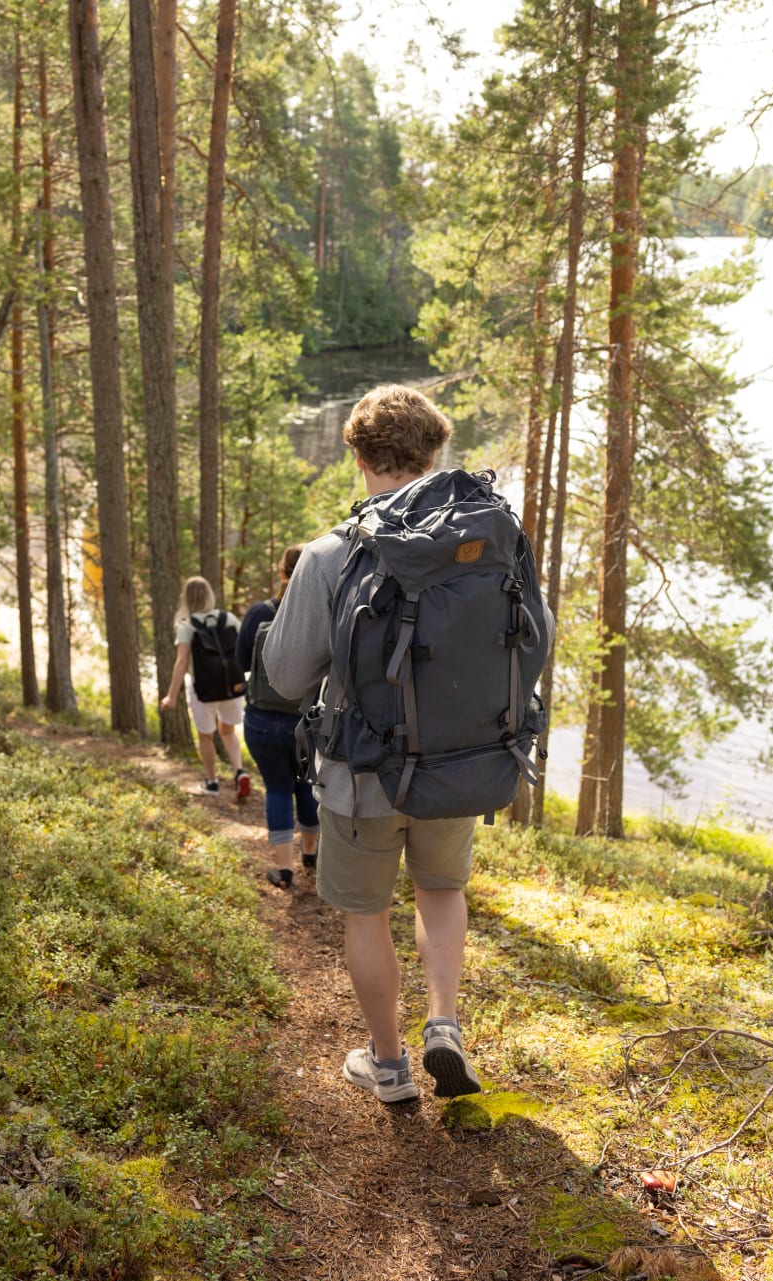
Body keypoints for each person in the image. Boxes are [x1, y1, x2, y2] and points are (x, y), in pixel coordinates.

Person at [265, 384, 488, 1104]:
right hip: (454, 765)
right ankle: (445, 1023)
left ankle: (388, 1065)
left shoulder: (331, 553)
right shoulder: (480, 544)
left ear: (356, 455)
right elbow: (530, 639)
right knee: (441, 890)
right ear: (435, 454)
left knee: (367, 912)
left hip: (360, 775)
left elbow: (288, 672)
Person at [237, 545, 320, 891]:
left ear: (282, 572)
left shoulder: (260, 613)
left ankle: (283, 870)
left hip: (263, 720)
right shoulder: (320, 615)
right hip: (308, 720)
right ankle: (311, 855)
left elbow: (241, 660)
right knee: (307, 787)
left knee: (277, 788)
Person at [159, 575, 252, 799]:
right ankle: (239, 772)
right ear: (210, 595)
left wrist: (171, 697)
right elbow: (245, 647)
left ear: (186, 599)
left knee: (206, 736)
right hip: (232, 686)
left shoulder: (187, 625)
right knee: (228, 731)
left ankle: (212, 783)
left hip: (204, 690)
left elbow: (181, 662)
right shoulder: (228, 618)